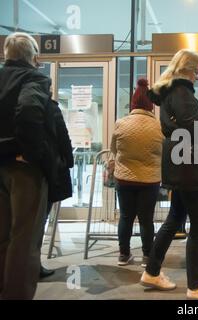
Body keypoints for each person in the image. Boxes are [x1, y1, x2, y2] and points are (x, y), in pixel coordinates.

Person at [140, 49, 198, 300]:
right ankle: (196, 286)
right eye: (197, 70)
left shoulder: (169, 93)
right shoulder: (182, 92)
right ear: (186, 69)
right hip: (189, 164)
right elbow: (193, 128)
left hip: (179, 163)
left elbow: (182, 127)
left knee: (175, 218)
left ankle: (152, 271)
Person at [0, 32, 51, 299]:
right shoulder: (34, 78)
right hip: (22, 170)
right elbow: (29, 111)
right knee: (25, 239)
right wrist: (31, 153)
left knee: (4, 237)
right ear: (33, 56)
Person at [111, 79, 163, 267]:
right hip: (149, 180)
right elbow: (163, 152)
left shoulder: (121, 123)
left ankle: (124, 255)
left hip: (124, 178)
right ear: (150, 105)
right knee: (146, 219)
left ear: (133, 103)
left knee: (125, 216)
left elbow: (114, 149)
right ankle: (147, 256)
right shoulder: (158, 126)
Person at [39, 97, 74, 278]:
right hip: (43, 170)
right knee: (37, 221)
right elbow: (62, 136)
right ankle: (32, 265)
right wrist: (68, 161)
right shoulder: (49, 107)